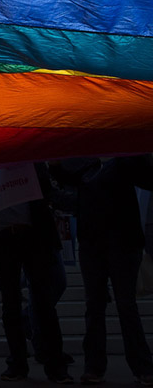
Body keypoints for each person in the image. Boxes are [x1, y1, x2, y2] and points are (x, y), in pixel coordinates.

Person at [50, 155, 153, 386]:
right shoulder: (87, 163)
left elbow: (147, 178)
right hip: (95, 242)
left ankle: (137, 366)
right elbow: (65, 177)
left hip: (120, 242)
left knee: (122, 305)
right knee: (98, 305)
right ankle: (101, 367)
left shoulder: (124, 161)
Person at [0, 164, 71, 383]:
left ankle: (55, 365)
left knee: (43, 304)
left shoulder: (32, 165)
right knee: (11, 305)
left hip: (33, 238)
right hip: (3, 240)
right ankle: (18, 363)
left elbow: (47, 190)